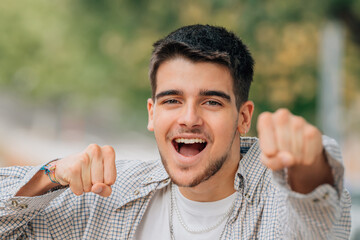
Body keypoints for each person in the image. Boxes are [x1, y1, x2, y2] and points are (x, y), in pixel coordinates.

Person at [0, 24, 351, 239]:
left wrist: (307, 163)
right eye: (172, 100)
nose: (189, 118)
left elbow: (317, 218)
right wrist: (52, 174)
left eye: (211, 102)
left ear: (243, 118)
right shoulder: (108, 196)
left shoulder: (274, 202)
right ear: (152, 113)